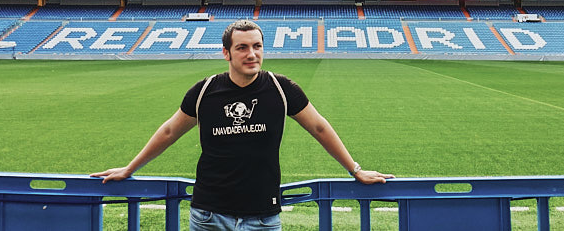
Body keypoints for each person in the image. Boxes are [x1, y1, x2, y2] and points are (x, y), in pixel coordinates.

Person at [91, 19, 393, 231]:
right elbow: (170, 131)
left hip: (263, 216)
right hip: (210, 215)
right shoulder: (205, 91)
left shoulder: (281, 88)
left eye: (257, 46)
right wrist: (129, 169)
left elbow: (319, 128)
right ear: (226, 53)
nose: (252, 54)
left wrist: (355, 169)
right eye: (242, 48)